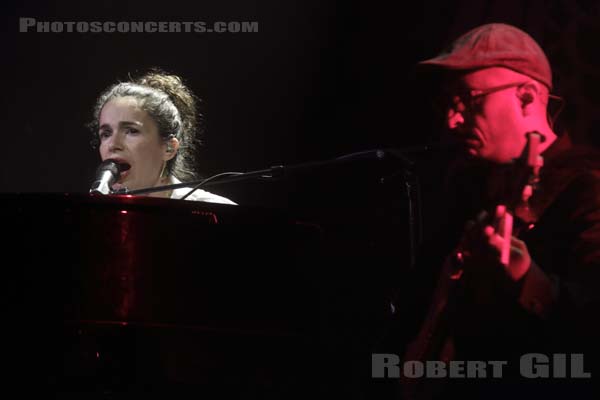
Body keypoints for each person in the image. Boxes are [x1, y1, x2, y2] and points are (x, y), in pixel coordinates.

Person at [388, 23, 600, 399]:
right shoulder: (466, 190)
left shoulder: (588, 190)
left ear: (526, 96)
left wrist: (529, 280)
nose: (452, 121)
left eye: (469, 100)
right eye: (447, 104)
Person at [88, 69, 236, 204]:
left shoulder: (217, 211)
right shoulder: (96, 213)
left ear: (169, 148)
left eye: (132, 131)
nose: (113, 144)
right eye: (106, 134)